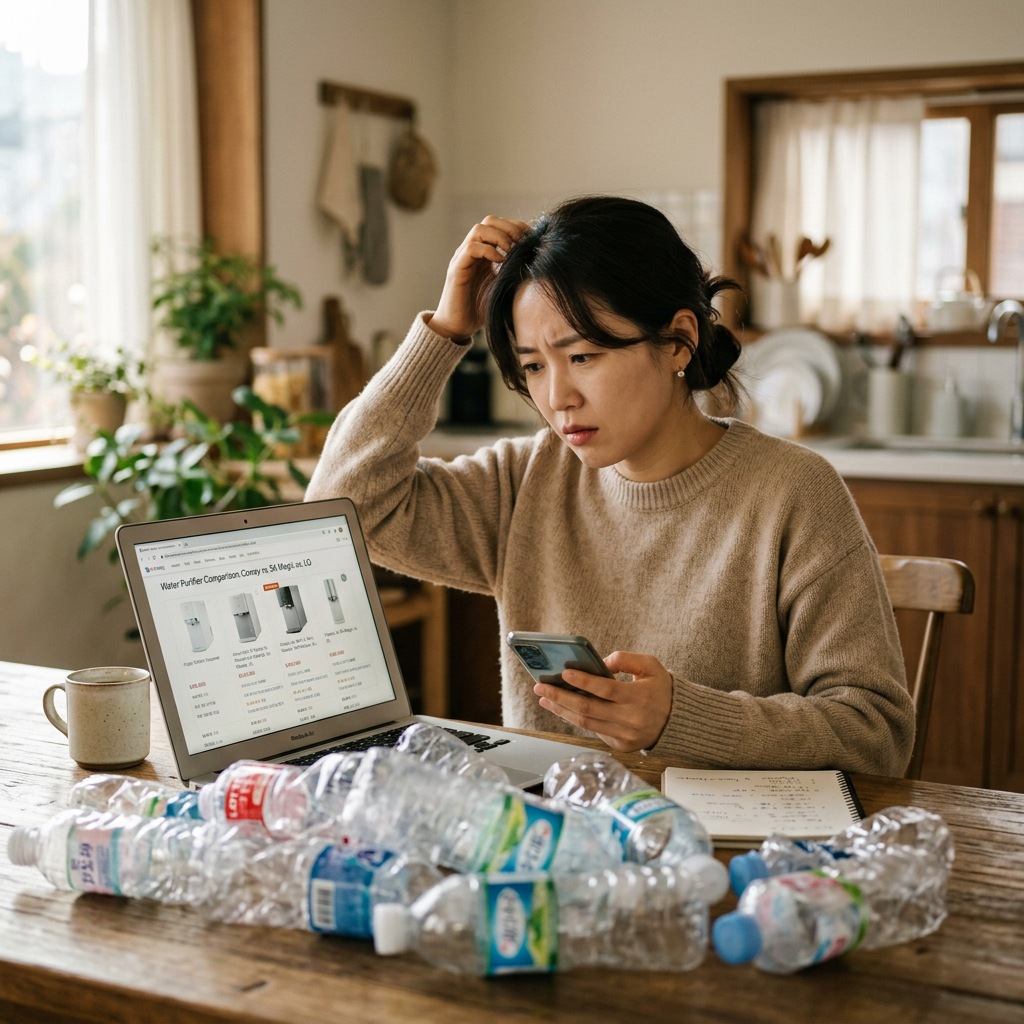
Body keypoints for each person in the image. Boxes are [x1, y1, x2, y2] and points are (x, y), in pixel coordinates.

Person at [306, 195, 914, 775]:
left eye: (582, 357)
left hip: (728, 854)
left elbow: (875, 734)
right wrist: (443, 332)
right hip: (556, 843)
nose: (556, 398)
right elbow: (344, 511)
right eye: (534, 365)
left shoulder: (795, 493)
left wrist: (682, 717)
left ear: (678, 340)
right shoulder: (525, 481)